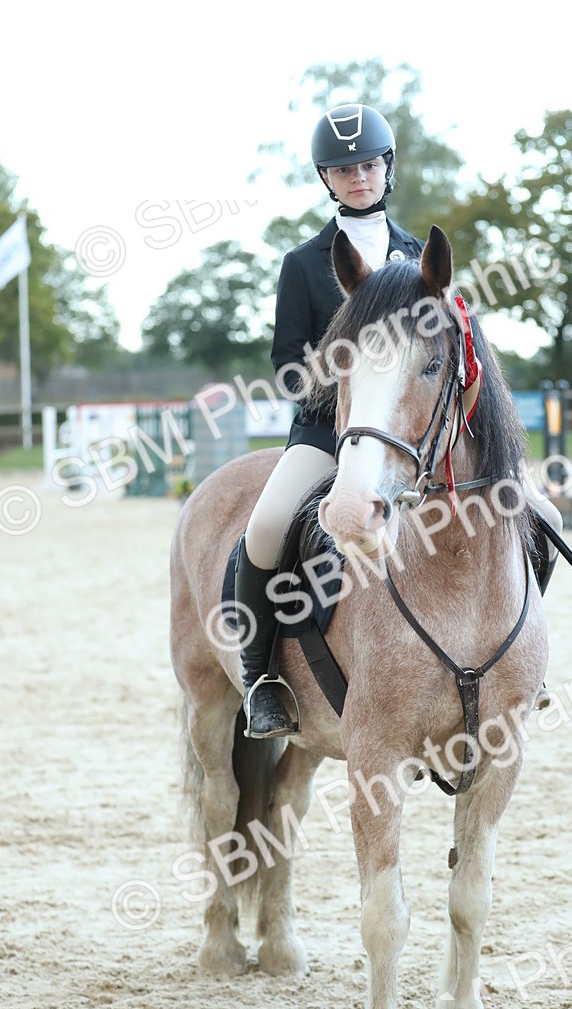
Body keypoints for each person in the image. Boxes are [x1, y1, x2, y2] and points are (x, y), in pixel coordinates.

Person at [235, 103, 424, 738]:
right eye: (344, 169)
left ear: (386, 168)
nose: (359, 177)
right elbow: (288, 365)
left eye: (369, 164)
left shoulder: (420, 254)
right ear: (326, 178)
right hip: (326, 433)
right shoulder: (302, 264)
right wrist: (346, 382)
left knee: (523, 511)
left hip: (411, 435)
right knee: (263, 530)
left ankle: (517, 667)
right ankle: (261, 679)